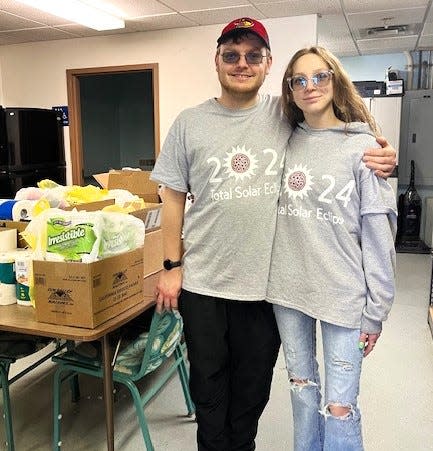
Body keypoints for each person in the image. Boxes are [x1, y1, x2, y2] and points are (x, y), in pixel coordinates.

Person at [150, 18, 396, 451]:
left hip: (265, 288)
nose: (241, 64)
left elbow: (332, 130)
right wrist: (171, 266)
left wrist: (378, 149)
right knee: (209, 394)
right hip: (204, 284)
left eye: (252, 57)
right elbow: (172, 200)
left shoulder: (285, 115)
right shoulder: (189, 123)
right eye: (231, 55)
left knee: (251, 396)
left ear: (267, 66)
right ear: (217, 61)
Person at [266, 46, 398, 451]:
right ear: (289, 90)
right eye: (299, 80)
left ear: (335, 79)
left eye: (319, 76)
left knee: (339, 406)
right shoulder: (283, 142)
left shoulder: (365, 150)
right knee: (302, 391)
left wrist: (376, 312)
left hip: (343, 296)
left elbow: (378, 233)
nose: (310, 87)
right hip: (288, 292)